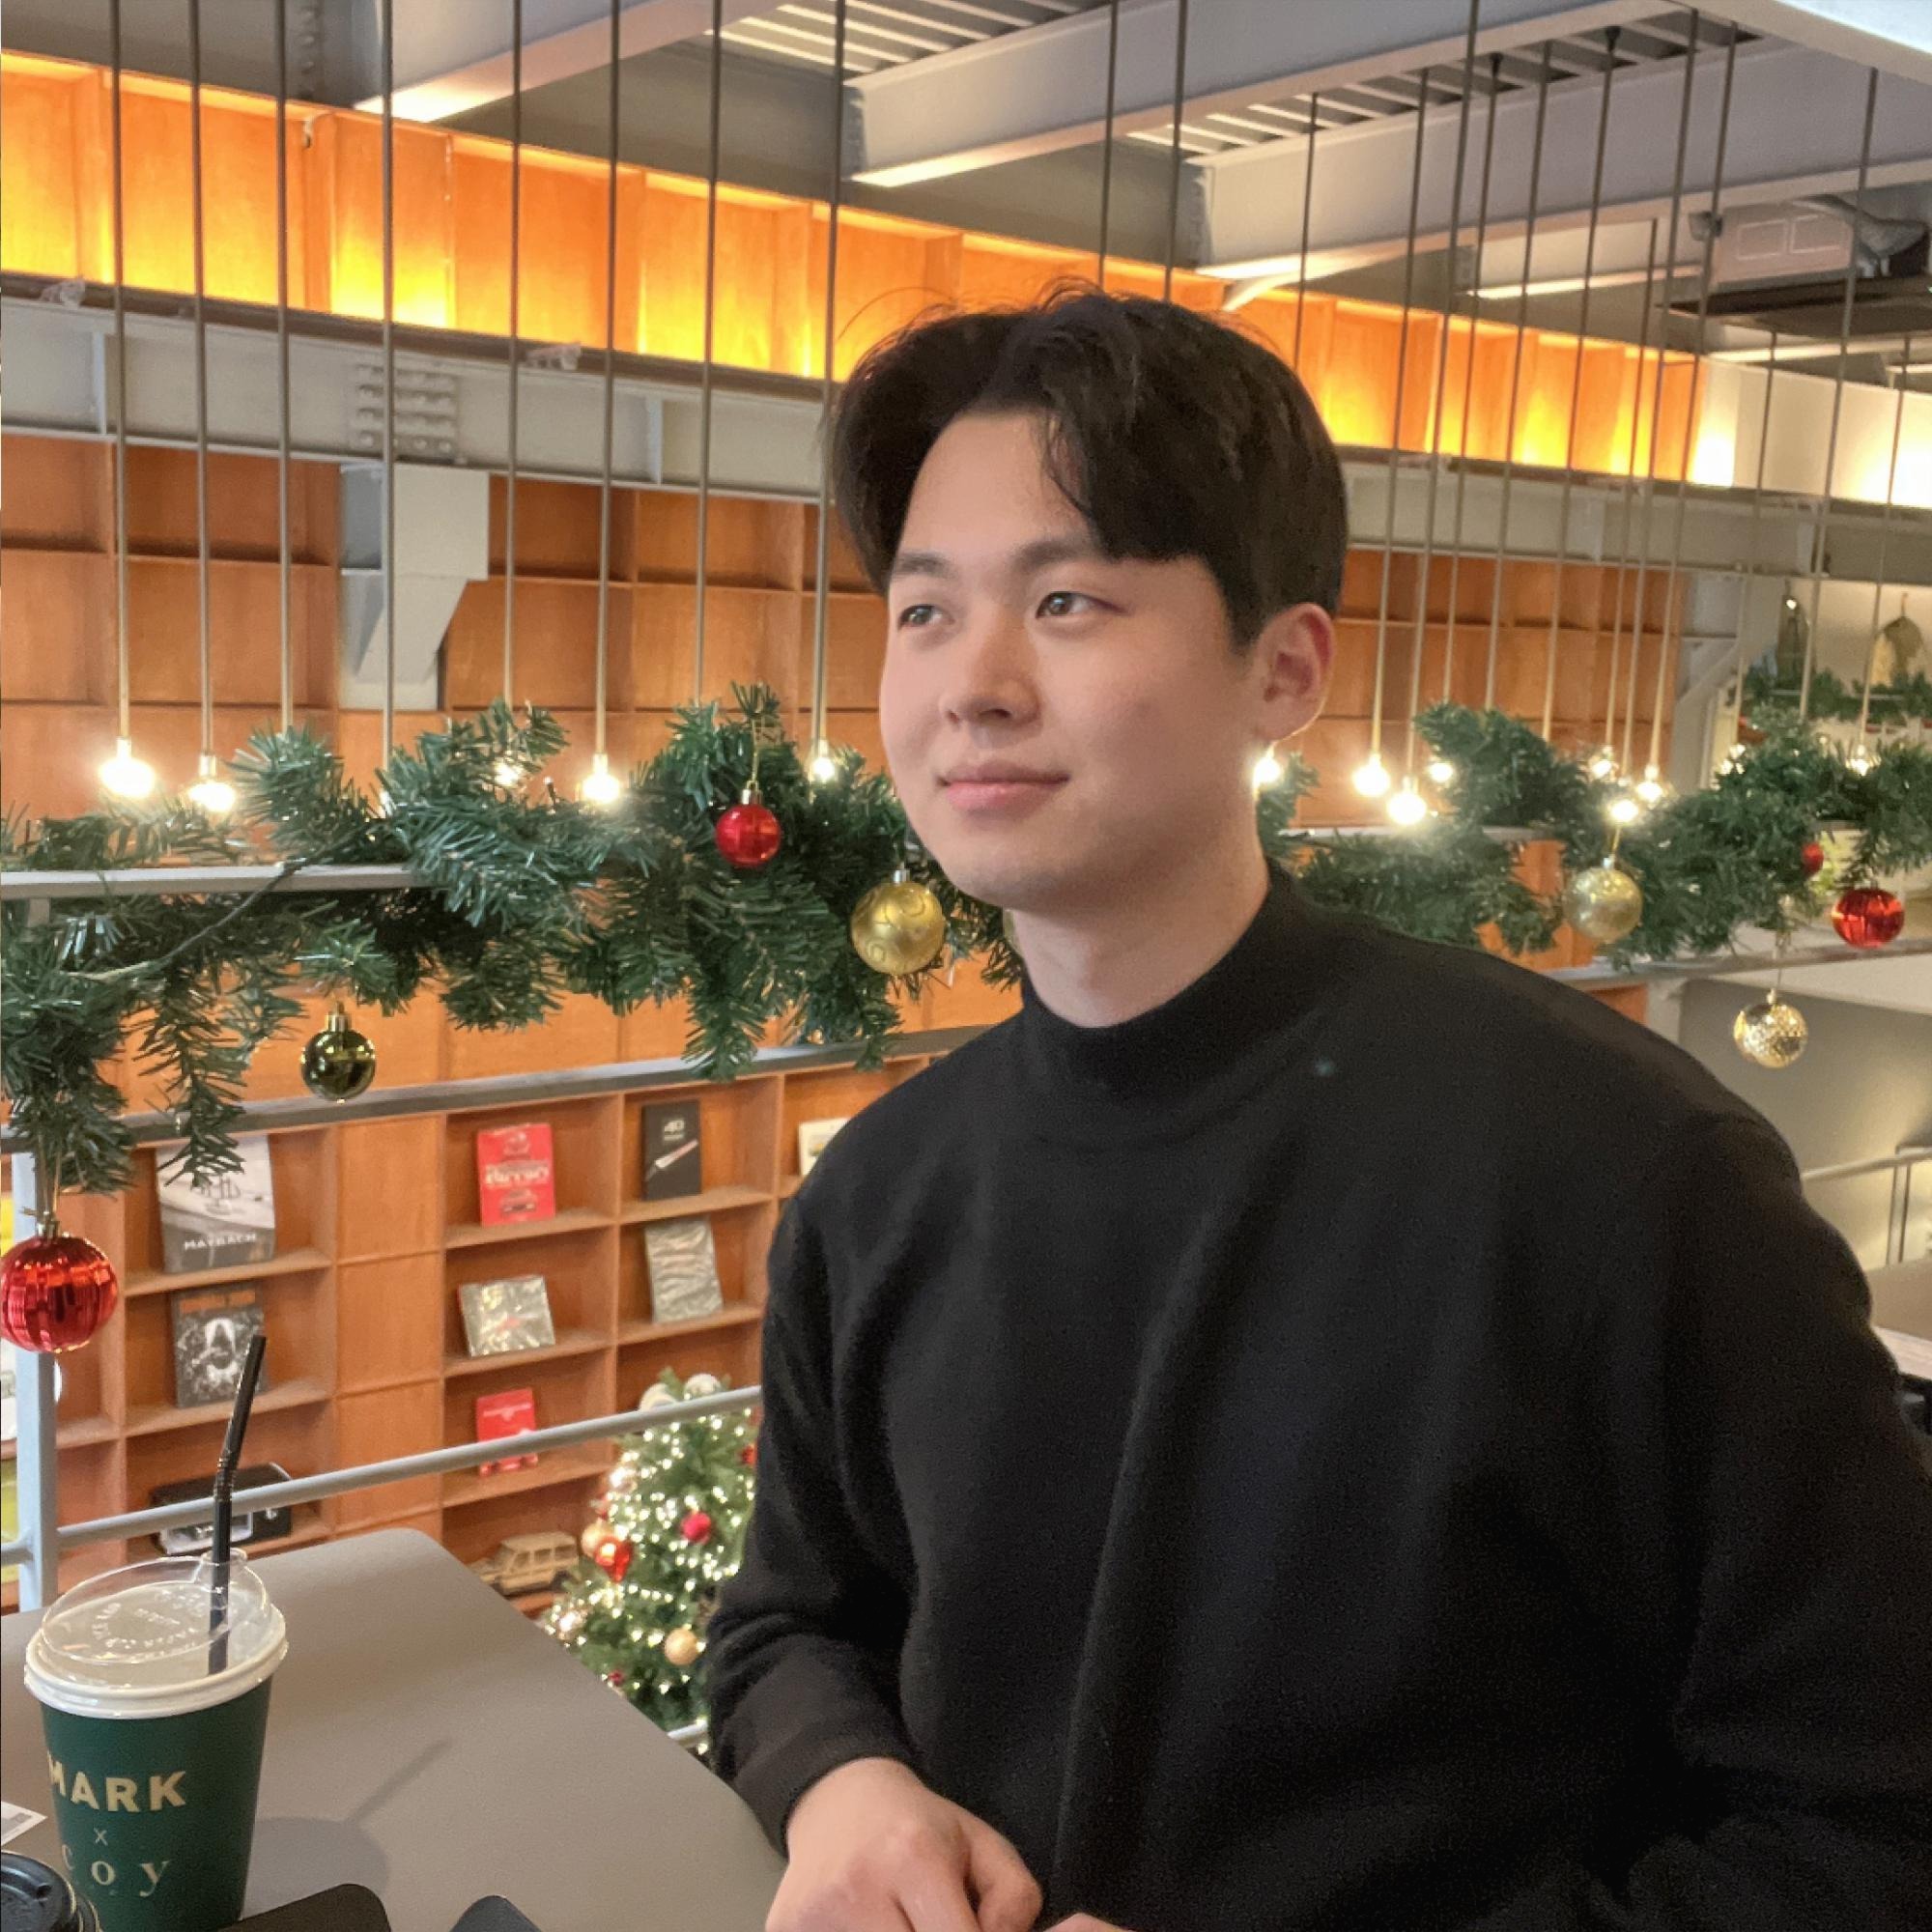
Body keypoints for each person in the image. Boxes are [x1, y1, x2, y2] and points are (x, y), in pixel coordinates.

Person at [703, 290, 1932, 1932]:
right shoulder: (881, 1194)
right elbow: (790, 1625)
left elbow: (1871, 1830)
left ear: (1283, 669)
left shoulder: (1620, 1176)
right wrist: (841, 1783)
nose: (971, 687)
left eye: (1066, 601)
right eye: (924, 612)